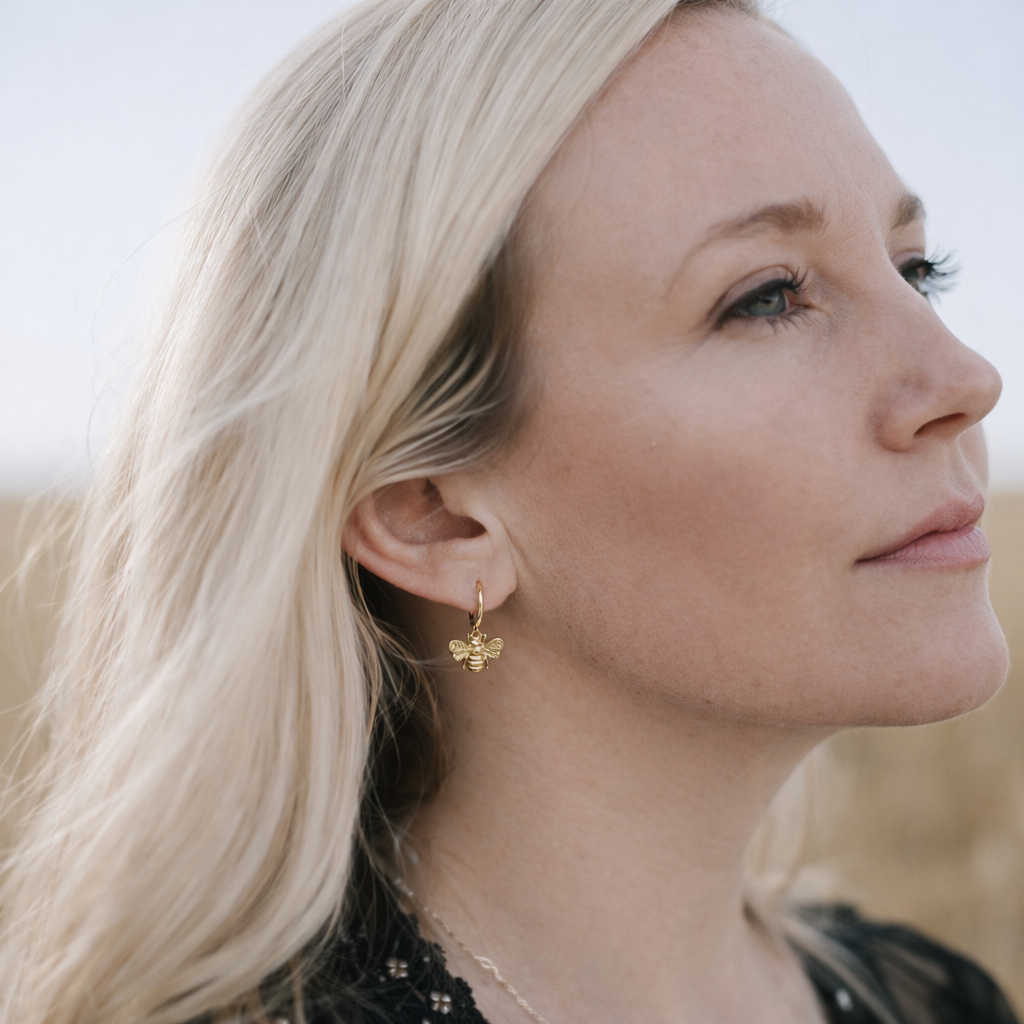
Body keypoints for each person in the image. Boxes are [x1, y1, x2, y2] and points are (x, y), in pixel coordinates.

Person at [0, 1, 1018, 1022]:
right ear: (433, 516)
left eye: (916, 270)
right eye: (766, 297)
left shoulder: (935, 1001)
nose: (967, 378)